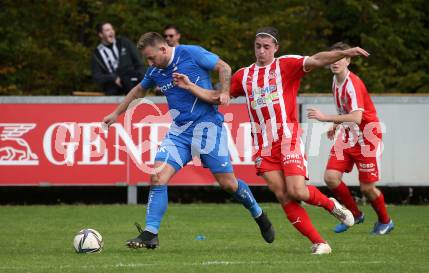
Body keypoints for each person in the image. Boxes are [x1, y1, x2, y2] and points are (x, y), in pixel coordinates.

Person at [172, 26, 371, 255]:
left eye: (267, 47)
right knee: (282, 195)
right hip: (263, 146)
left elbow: (317, 59)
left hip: (287, 139)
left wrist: (346, 52)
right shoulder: (243, 75)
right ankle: (320, 243)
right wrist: (190, 86)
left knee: (298, 191)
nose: (261, 51)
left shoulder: (286, 65)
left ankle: (331, 205)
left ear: (276, 48)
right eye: (258, 46)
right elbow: (218, 97)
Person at [102, 32, 274, 249]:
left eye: (151, 57)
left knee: (228, 184)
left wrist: (224, 92)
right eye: (147, 59)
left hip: (208, 128)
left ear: (163, 49)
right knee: (157, 176)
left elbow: (224, 67)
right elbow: (138, 91)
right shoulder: (156, 70)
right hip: (179, 132)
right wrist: (116, 113)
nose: (149, 63)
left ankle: (258, 214)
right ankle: (150, 233)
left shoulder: (191, 53)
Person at [307, 42, 394, 235]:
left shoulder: (352, 84)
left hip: (366, 138)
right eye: (333, 59)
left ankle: (385, 221)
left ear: (348, 61)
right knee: (330, 178)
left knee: (367, 188)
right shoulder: (335, 81)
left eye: (340, 58)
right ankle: (355, 214)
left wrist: (325, 118)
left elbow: (357, 117)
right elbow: (346, 111)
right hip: (348, 137)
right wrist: (335, 125)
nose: (335, 62)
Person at [91, 22, 145, 95]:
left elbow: (139, 62)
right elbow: (97, 77)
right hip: (113, 87)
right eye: (107, 30)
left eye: (112, 29)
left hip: (131, 81)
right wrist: (114, 78)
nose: (111, 31)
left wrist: (141, 78)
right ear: (100, 34)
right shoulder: (97, 53)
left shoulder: (124, 43)